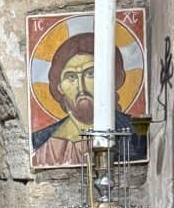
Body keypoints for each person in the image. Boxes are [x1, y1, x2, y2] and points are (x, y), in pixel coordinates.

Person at [31, 32, 146, 167]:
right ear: (59, 87)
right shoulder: (42, 142)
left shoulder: (136, 134)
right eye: (71, 76)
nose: (81, 86)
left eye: (90, 73)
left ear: (110, 78)